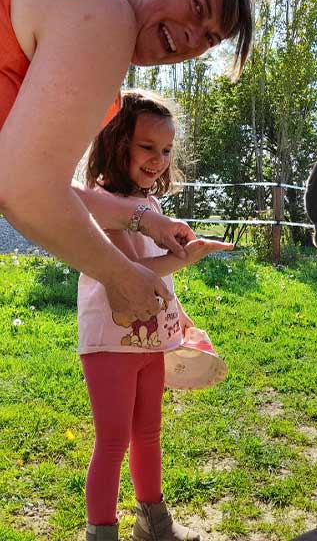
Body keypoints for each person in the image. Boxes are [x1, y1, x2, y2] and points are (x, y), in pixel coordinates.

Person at [0, 0, 271, 322]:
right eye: (197, 7)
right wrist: (119, 275)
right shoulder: (105, 12)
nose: (194, 40)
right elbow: (25, 188)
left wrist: (144, 218)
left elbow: (28, 179)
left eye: (210, 39)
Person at [79, 89, 233, 541]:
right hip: (111, 340)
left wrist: (179, 314)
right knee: (112, 442)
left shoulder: (151, 208)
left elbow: (157, 280)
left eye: (166, 150)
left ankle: (153, 523)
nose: (159, 159)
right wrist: (189, 257)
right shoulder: (101, 206)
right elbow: (131, 274)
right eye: (147, 147)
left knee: (148, 433)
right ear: (115, 142)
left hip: (153, 340)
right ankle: (101, 533)